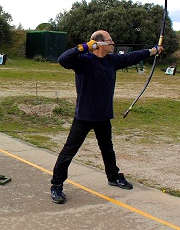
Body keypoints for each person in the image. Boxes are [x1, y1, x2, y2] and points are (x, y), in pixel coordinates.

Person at [50, 30, 162, 204]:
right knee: (69, 151)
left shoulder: (112, 60)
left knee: (107, 149)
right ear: (100, 44)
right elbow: (63, 59)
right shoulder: (83, 62)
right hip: (84, 116)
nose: (113, 43)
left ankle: (113, 176)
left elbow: (133, 57)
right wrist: (86, 47)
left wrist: (153, 51)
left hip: (103, 116)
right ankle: (56, 185)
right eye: (110, 40)